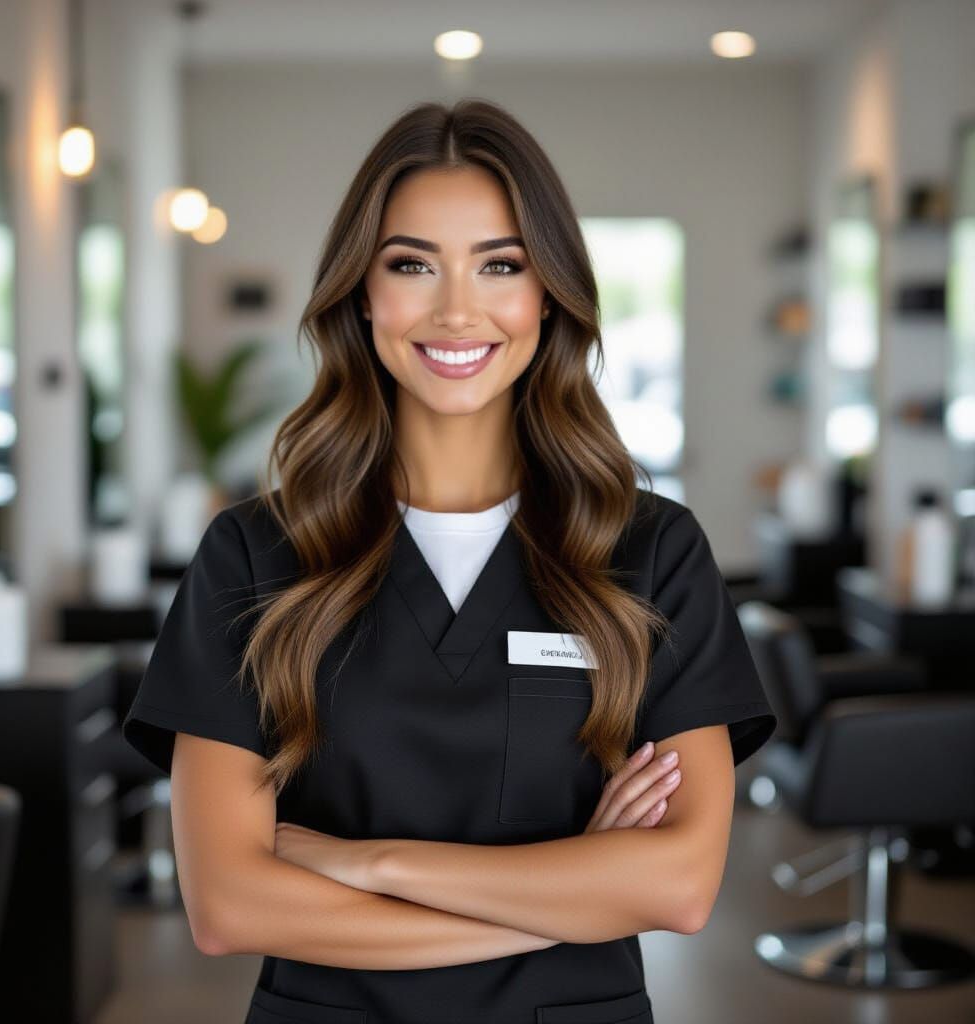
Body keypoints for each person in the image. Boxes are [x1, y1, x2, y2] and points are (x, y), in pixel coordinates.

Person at [123, 97, 777, 1024]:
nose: (458, 309)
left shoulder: (651, 552)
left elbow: (676, 885)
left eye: (500, 264)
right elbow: (229, 907)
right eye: (412, 264)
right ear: (362, 291)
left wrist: (366, 862)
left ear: (548, 293)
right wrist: (568, 898)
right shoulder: (254, 558)